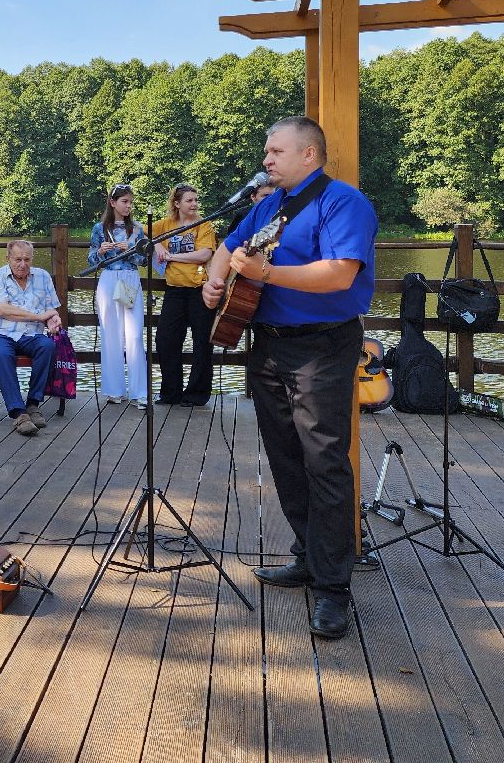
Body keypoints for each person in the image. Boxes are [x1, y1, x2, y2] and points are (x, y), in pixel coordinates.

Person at [202, 117, 377, 641]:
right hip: (269, 345)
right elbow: (226, 245)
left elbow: (340, 273)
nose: (266, 159)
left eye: (276, 150)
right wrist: (216, 280)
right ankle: (307, 555)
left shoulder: (344, 203)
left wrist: (266, 275)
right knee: (285, 456)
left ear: (309, 155)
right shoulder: (265, 205)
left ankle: (333, 588)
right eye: (266, 149)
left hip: (323, 346)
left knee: (325, 460)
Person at [0, 240, 61, 436]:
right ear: (8, 258)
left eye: (27, 259)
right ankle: (18, 413)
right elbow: (2, 310)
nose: (22, 264)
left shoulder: (43, 276)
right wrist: (38, 317)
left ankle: (33, 404)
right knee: (2, 354)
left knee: (47, 346)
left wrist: (53, 320)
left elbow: (51, 309)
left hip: (30, 334)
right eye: (17, 259)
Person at [152, 184, 217, 407]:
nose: (194, 204)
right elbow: (144, 231)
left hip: (199, 290)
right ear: (177, 204)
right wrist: (159, 246)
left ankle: (196, 394)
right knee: (165, 340)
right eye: (189, 200)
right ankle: (171, 393)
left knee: (202, 342)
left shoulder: (203, 224)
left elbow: (204, 254)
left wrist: (172, 256)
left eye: (196, 200)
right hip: (175, 291)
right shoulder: (167, 224)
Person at [88, 184, 148, 408]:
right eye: (124, 201)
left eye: (130, 202)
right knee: (110, 334)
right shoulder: (99, 228)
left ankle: (139, 392)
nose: (128, 206)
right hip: (108, 279)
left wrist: (128, 251)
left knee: (133, 337)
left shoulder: (137, 230)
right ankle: (114, 390)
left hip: (130, 278)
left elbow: (143, 261)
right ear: (113, 203)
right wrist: (101, 251)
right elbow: (92, 260)